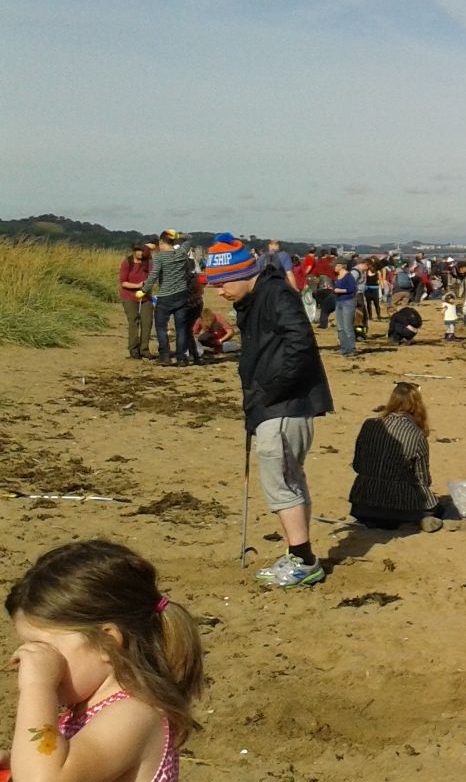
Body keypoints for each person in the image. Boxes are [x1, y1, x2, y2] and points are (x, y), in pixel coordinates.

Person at [4, 540, 204, 782]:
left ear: (106, 643)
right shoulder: (87, 708)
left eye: (43, 648)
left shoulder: (134, 715)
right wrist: (13, 760)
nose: (28, 661)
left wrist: (37, 687)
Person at [206, 233, 334, 587]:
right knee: (289, 480)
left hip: (283, 405)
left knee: (282, 483)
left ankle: (303, 560)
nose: (219, 292)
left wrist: (272, 392)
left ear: (242, 273)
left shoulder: (275, 293)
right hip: (273, 404)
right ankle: (299, 554)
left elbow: (301, 344)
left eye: (221, 283)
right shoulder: (254, 299)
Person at [348, 383, 443, 531]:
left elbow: (357, 465)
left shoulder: (369, 425)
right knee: (437, 506)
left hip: (363, 501)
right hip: (398, 504)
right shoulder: (417, 435)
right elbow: (423, 480)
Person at [142, 230, 195, 367]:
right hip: (181, 295)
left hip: (165, 296)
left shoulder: (159, 257)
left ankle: (165, 355)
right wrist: (179, 235)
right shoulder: (181, 253)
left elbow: (153, 275)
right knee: (181, 328)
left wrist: (144, 290)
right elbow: (190, 239)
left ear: (161, 242)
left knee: (161, 327)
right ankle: (181, 357)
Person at [117, 242, 153, 360]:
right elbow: (123, 282)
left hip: (145, 297)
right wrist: (137, 285)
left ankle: (144, 349)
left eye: (142, 251)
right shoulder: (127, 262)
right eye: (138, 250)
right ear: (134, 251)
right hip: (129, 296)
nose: (140, 253)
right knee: (133, 322)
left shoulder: (148, 262)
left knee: (147, 322)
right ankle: (133, 349)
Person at [331, 260, 359, 357]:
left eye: (335, 266)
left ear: (341, 266)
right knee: (340, 327)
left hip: (348, 302)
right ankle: (344, 348)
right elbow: (335, 289)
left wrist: (340, 290)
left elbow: (353, 289)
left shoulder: (349, 276)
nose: (334, 268)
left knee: (347, 326)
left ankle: (351, 348)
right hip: (338, 302)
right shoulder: (337, 277)